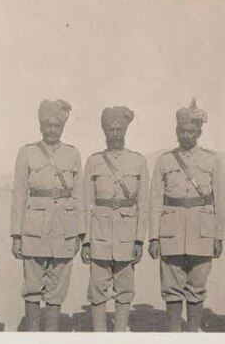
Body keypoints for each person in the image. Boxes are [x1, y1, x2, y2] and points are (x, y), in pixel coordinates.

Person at [148, 98, 225, 332]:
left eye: (191, 131)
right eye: (182, 130)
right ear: (176, 130)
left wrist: (218, 237)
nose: (186, 135)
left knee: (197, 287)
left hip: (202, 233)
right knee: (171, 288)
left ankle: (192, 332)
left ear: (199, 132)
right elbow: (154, 200)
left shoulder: (212, 160)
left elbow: (220, 200)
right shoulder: (164, 160)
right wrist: (154, 237)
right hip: (170, 233)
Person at [10, 99, 84, 332]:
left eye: (57, 126)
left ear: (63, 127)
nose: (52, 130)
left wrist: (80, 233)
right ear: (40, 126)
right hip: (34, 230)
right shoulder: (27, 153)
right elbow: (19, 196)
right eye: (47, 125)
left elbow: (79, 196)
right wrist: (16, 235)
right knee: (32, 286)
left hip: (64, 230)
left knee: (57, 289)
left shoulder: (73, 154)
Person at [80, 106, 149, 332]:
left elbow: (143, 205)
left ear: (125, 131)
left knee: (125, 289)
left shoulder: (138, 161)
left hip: (127, 236)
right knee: (98, 290)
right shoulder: (93, 162)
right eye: (111, 129)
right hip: (99, 236)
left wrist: (139, 240)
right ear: (104, 131)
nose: (115, 134)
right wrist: (87, 241)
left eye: (119, 129)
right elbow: (86, 203)